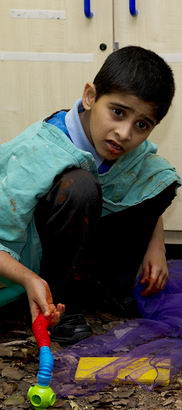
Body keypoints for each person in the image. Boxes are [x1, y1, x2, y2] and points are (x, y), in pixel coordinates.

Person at [0, 45, 181, 345]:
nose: (124, 133)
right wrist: (29, 278)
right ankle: (61, 304)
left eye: (141, 124)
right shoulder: (38, 152)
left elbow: (148, 179)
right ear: (90, 97)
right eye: (118, 112)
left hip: (75, 247)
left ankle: (104, 289)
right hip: (28, 260)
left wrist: (156, 245)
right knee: (79, 186)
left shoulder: (121, 148)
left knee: (159, 177)